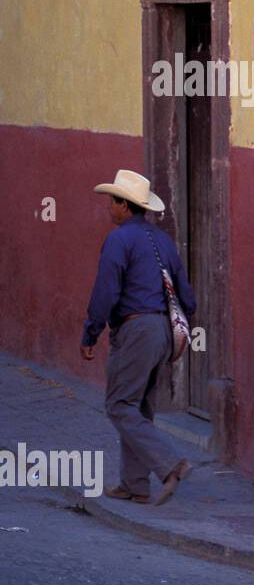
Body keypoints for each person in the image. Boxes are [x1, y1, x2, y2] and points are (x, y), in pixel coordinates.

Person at [80, 170, 196, 505]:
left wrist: (91, 331)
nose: (108, 208)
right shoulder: (162, 241)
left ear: (124, 205)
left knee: (118, 405)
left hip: (135, 329)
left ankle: (172, 463)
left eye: (111, 201)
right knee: (139, 407)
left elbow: (106, 291)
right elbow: (186, 294)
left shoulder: (118, 240)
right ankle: (135, 486)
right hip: (162, 331)